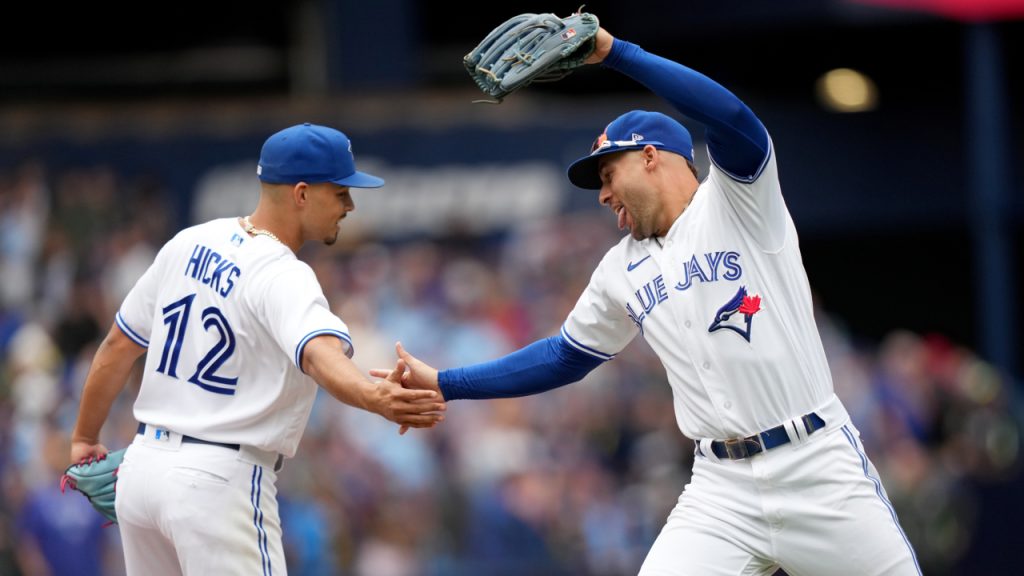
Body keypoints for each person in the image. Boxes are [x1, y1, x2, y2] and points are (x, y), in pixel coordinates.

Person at [383, 25, 922, 576]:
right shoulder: (620, 266)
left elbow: (734, 119)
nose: (602, 194)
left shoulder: (737, 202)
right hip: (722, 489)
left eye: (608, 172)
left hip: (816, 465)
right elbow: (563, 356)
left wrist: (616, 54)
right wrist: (448, 382)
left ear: (650, 158)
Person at [68, 122, 447, 575]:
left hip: (143, 470)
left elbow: (117, 345)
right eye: (340, 191)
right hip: (217, 482)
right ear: (302, 194)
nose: (350, 204)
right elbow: (318, 355)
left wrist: (84, 438)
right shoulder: (284, 273)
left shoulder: (188, 242)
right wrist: (372, 396)